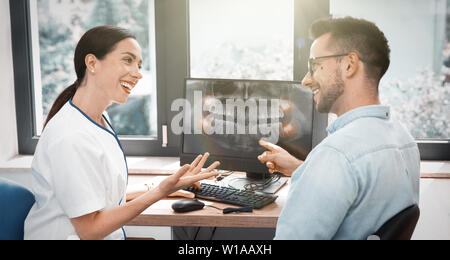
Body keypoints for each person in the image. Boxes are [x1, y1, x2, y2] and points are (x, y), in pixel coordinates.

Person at [24, 26, 220, 240]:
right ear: (92, 63)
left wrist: (157, 186)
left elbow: (98, 196)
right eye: (128, 60)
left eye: (139, 65)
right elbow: (89, 229)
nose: (137, 74)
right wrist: (159, 192)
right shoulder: (70, 137)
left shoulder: (98, 118)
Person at [258, 17, 420, 240]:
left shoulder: (337, 155)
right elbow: (361, 193)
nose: (305, 80)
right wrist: (304, 169)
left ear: (349, 65)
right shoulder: (403, 139)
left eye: (314, 66)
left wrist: (318, 167)